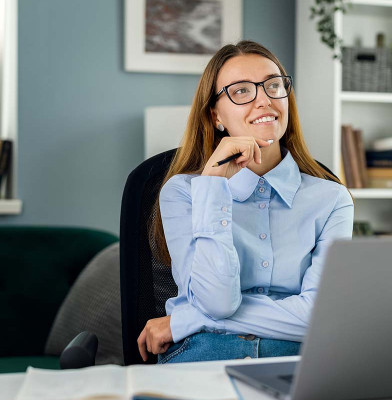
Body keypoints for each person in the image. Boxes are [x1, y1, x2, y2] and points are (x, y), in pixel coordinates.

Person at [137, 40, 354, 363]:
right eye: (241, 91)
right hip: (206, 351)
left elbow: (315, 317)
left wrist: (187, 319)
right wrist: (212, 187)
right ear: (215, 115)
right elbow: (218, 303)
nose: (264, 100)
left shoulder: (332, 199)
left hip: (295, 358)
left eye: (273, 85)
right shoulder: (183, 191)